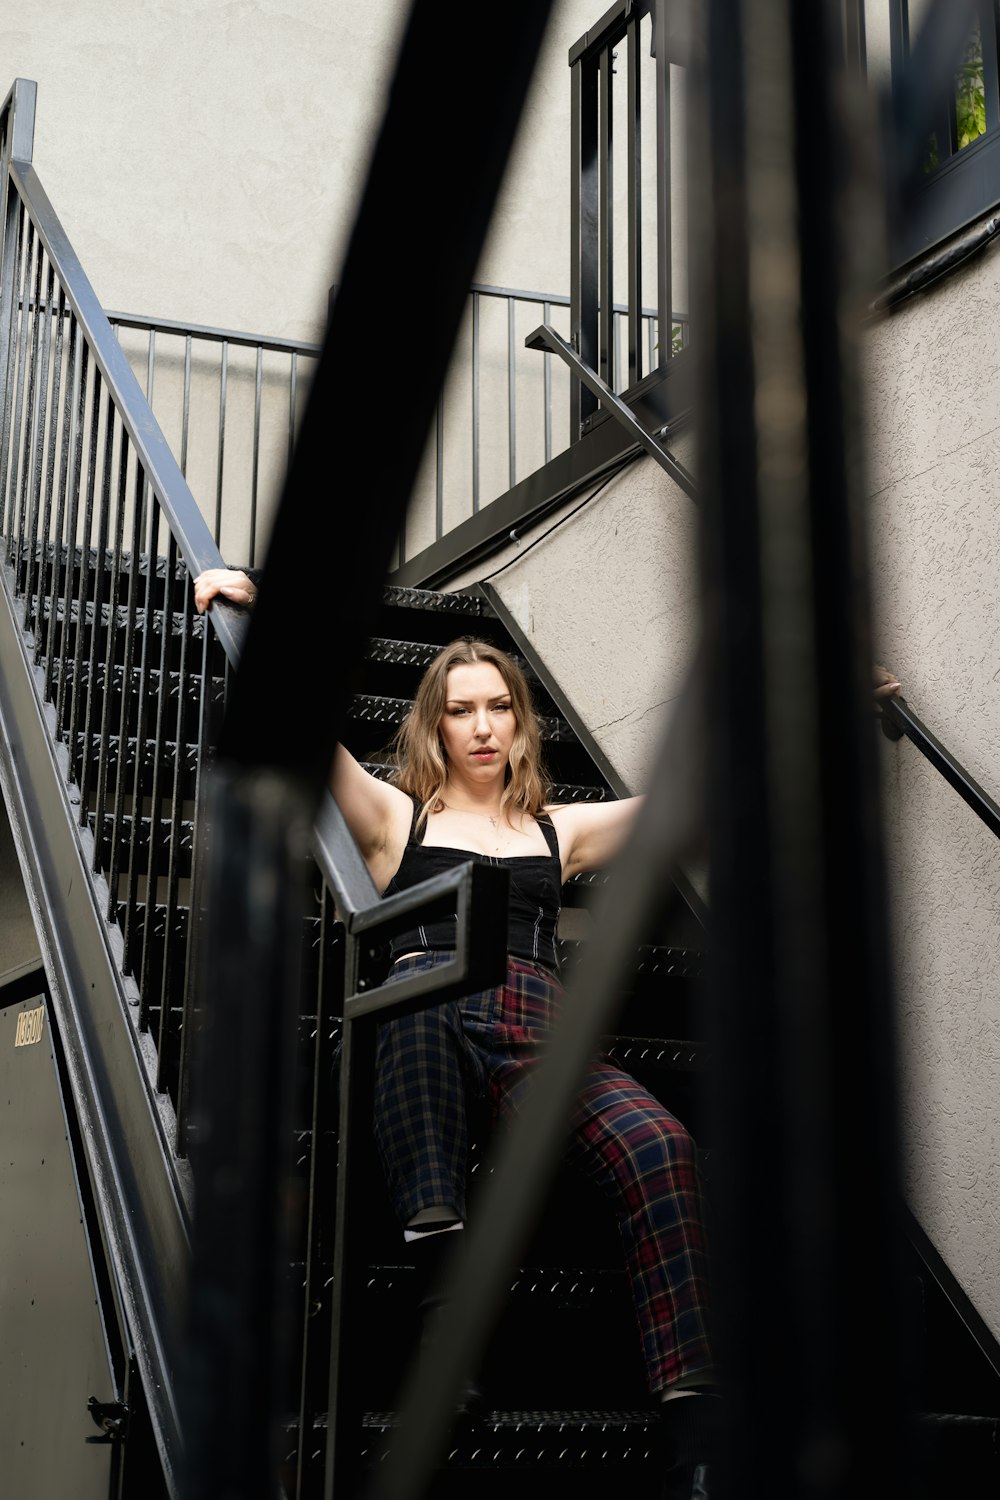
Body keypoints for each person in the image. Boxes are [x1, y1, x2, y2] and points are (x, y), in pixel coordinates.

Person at [193, 566, 902, 1497]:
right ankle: (445, 1316)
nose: (482, 727)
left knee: (662, 1146)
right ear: (433, 725)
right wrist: (257, 609)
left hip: (539, 1029)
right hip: (424, 1014)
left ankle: (696, 1427)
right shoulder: (393, 817)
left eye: (499, 708)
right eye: (460, 710)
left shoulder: (557, 831)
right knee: (416, 995)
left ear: (522, 722)